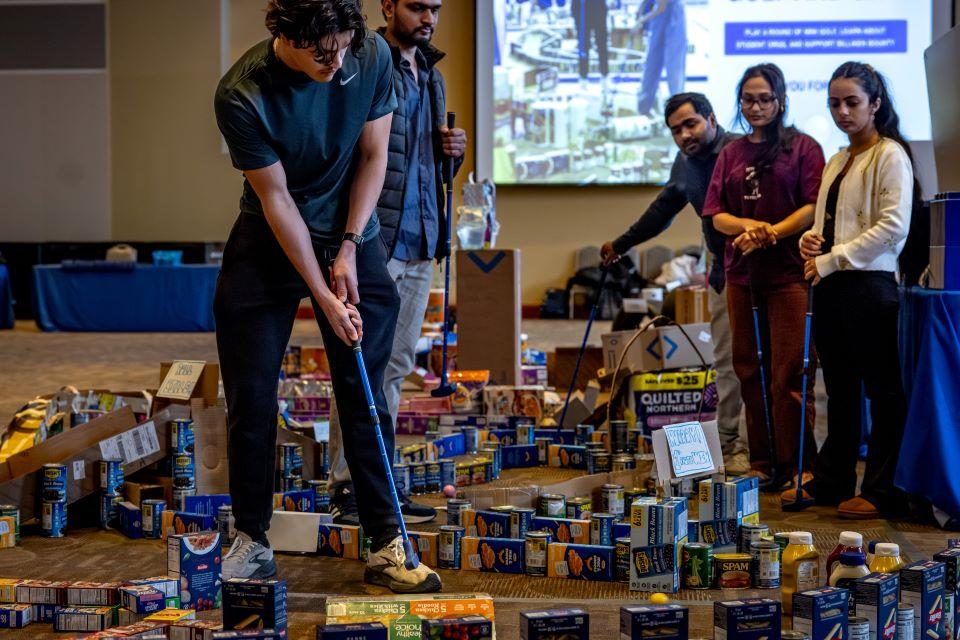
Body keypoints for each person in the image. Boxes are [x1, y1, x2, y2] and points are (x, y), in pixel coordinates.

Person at [213, 0, 440, 593]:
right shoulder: (242, 92)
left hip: (349, 229)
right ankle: (252, 538)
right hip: (270, 238)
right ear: (282, 35)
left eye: (342, 47)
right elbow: (277, 200)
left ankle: (387, 542)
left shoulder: (368, 54)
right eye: (321, 52)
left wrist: (348, 247)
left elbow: (373, 156)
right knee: (252, 393)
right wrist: (321, 292)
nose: (336, 63)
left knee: (365, 387)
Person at [327, 0, 467, 527]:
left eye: (435, 8)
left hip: (422, 240)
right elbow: (357, 153)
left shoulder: (430, 73)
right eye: (416, 6)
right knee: (361, 365)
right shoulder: (364, 60)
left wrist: (454, 153)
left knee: (395, 369)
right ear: (387, 6)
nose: (427, 17)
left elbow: (424, 163)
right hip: (374, 242)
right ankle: (347, 486)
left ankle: (376, 481)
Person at [781, 62, 915, 519]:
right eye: (834, 103)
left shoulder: (891, 154)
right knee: (838, 391)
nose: (842, 111)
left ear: (875, 103)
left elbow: (893, 228)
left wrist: (832, 257)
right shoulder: (838, 158)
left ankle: (881, 491)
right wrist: (809, 240)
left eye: (852, 102)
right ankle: (834, 480)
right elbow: (825, 225)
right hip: (833, 285)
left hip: (872, 286)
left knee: (882, 393)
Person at [600, 92, 747, 471]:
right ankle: (733, 448)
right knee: (727, 363)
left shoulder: (741, 151)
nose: (684, 135)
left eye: (691, 124)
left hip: (762, 272)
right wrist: (621, 243)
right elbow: (664, 208)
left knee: (764, 365)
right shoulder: (686, 163)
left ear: (712, 119)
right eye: (675, 130)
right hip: (722, 271)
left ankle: (766, 451)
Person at [703, 63, 825, 490]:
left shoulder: (804, 147)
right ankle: (762, 463)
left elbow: (813, 207)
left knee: (789, 373)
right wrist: (749, 229)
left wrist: (771, 232)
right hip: (741, 276)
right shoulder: (731, 153)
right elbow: (716, 216)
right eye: (748, 99)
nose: (756, 107)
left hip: (790, 274)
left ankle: (798, 466)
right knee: (749, 370)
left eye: (764, 99)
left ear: (780, 101)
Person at [635, 0, 687, 116]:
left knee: (674, 68)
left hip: (673, 17)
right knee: (652, 64)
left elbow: (661, 7)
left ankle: (678, 110)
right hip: (659, 17)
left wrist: (641, 20)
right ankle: (644, 108)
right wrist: (639, 14)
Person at [571, 0, 609, 83]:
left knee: (601, 42)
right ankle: (583, 76)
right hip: (581, 7)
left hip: (598, 7)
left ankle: (605, 75)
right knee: (583, 44)